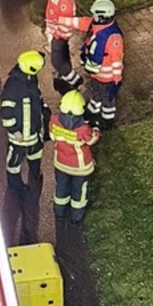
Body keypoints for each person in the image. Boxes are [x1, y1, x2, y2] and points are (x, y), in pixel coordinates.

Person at [61, 0, 125, 130]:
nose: (93, 17)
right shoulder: (96, 25)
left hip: (107, 78)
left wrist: (116, 79)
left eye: (95, 14)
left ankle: (107, 121)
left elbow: (116, 60)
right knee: (95, 93)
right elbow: (81, 22)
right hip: (96, 75)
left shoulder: (113, 38)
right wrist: (61, 20)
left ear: (102, 16)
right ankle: (92, 111)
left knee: (108, 100)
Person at [0, 51, 49, 194]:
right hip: (20, 136)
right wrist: (14, 130)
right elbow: (6, 112)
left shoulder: (29, 78)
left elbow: (35, 100)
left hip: (34, 131)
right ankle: (15, 184)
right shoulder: (13, 87)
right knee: (14, 162)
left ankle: (35, 172)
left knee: (36, 153)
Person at [50, 90, 101, 225]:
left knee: (61, 189)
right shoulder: (83, 129)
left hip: (60, 164)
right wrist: (96, 131)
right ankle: (76, 219)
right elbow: (91, 140)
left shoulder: (54, 120)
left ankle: (59, 213)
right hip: (80, 169)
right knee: (79, 193)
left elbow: (52, 136)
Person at [43, 0, 83, 94]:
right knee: (63, 57)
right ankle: (65, 76)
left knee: (57, 61)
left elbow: (66, 23)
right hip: (57, 34)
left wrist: (56, 36)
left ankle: (74, 80)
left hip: (59, 36)